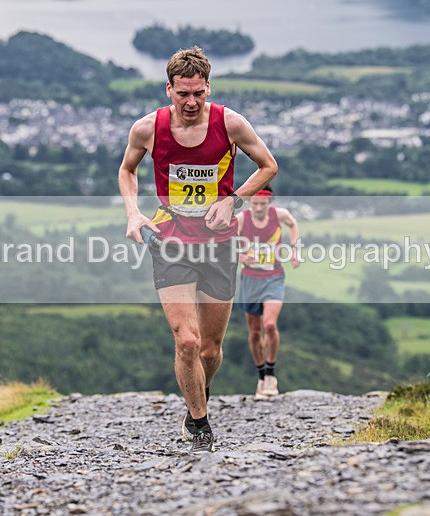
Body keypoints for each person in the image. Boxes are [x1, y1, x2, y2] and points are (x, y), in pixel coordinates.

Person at [118, 47, 278, 453]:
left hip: (219, 245)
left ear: (209, 88)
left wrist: (233, 201)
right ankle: (201, 425)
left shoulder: (231, 124)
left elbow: (268, 165)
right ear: (168, 89)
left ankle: (194, 405)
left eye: (198, 93)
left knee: (209, 350)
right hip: (170, 240)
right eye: (182, 93)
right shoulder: (147, 129)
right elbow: (128, 169)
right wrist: (134, 213)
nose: (191, 102)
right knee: (186, 341)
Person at [236, 185, 300, 400]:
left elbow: (293, 224)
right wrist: (240, 255)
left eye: (263, 204)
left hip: (274, 277)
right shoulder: (241, 219)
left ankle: (271, 374)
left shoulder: (279, 215)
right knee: (255, 332)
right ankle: (261, 376)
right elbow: (226, 240)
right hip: (250, 280)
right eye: (255, 203)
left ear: (269, 202)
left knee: (270, 325)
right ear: (249, 203)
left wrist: (295, 250)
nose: (258, 208)